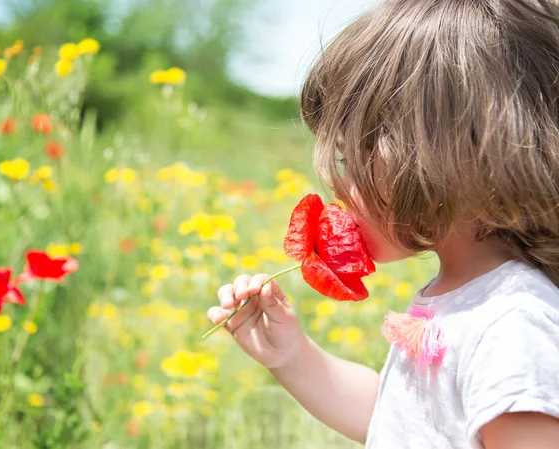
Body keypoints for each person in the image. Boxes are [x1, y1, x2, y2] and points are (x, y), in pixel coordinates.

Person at [207, 0, 559, 447]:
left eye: (357, 158)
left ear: (450, 155)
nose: (338, 185)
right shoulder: (465, 296)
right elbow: (402, 421)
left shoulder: (513, 324)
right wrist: (293, 356)